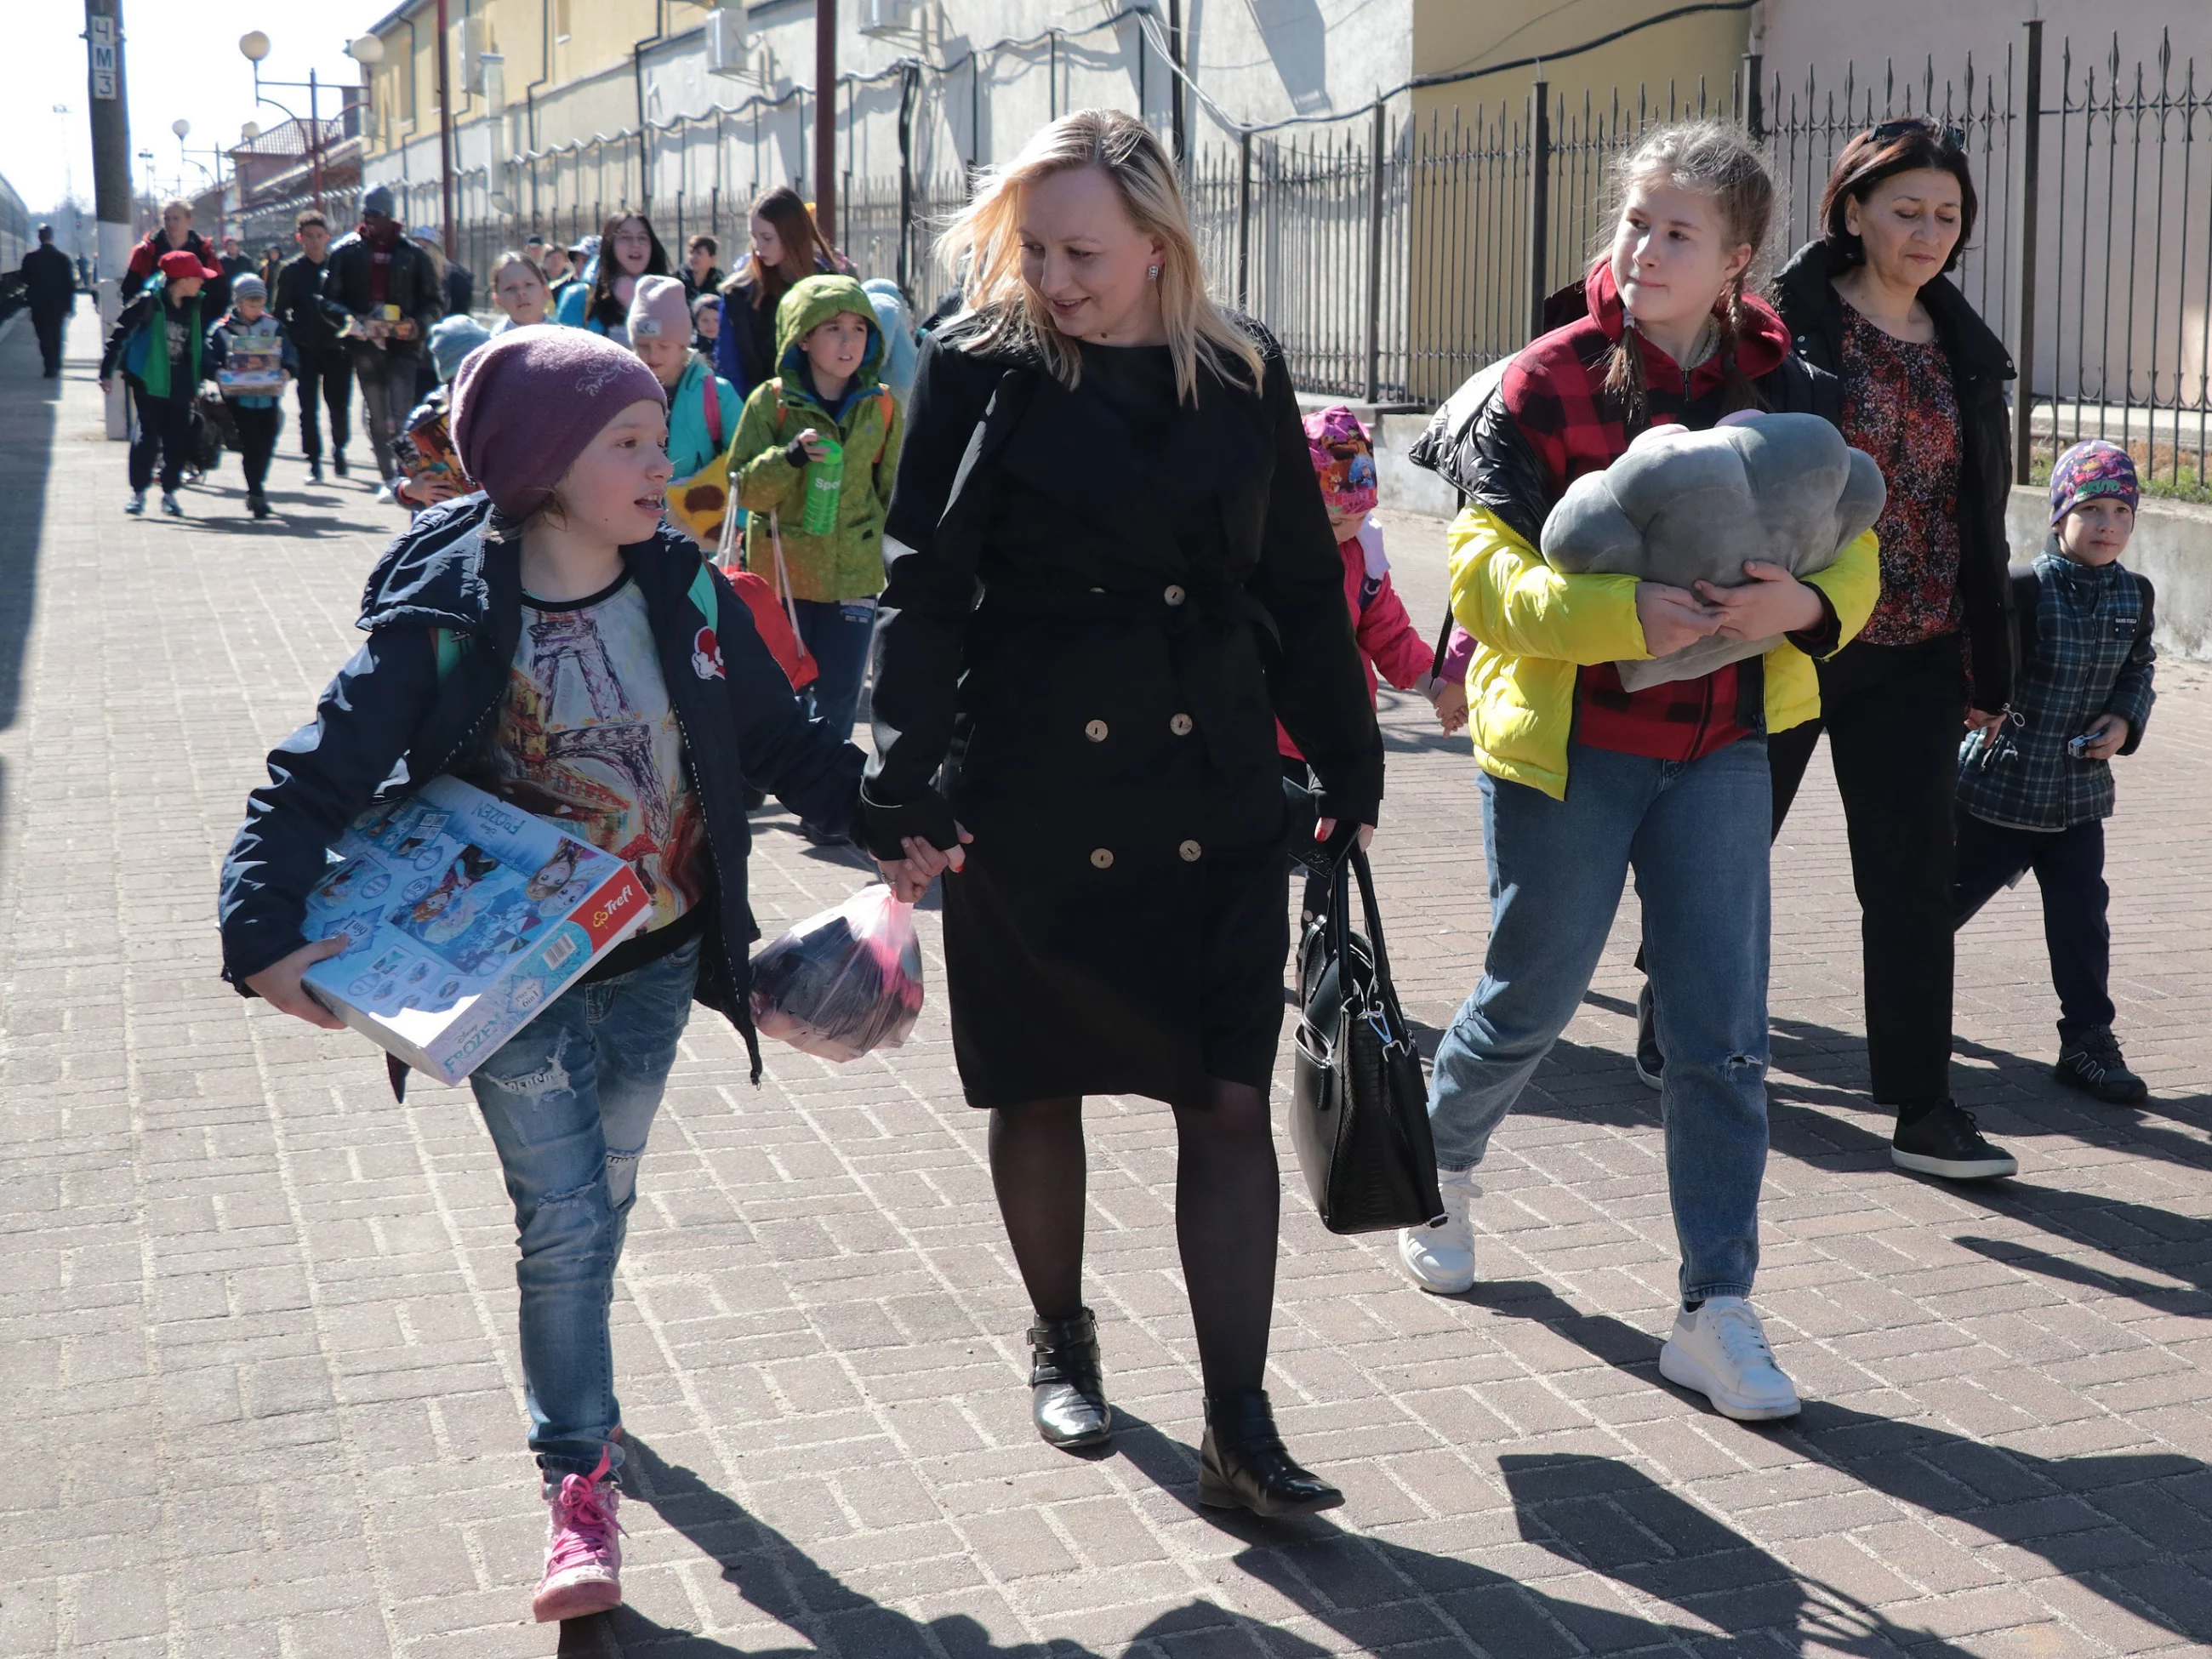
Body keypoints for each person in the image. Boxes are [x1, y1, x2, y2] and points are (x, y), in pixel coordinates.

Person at [214, 326, 866, 1623]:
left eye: (658, 435)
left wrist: (895, 823)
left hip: (659, 961)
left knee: (604, 1189)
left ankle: (580, 1371)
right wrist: (260, 929)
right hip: (509, 983)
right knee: (563, 1219)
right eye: (627, 442)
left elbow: (785, 743)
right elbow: (311, 774)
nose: (662, 462)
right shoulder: (446, 614)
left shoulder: (685, 585)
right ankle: (577, 1476)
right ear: (543, 468)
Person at [860, 110, 1381, 1517]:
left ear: (1159, 242)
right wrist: (899, 771)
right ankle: (1061, 1335)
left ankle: (1239, 1425)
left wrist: (1348, 758)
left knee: (1225, 1097)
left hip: (1210, 774)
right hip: (1031, 773)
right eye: (1032, 248)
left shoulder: (1240, 366)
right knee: (1038, 1078)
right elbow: (925, 582)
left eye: (1081, 253)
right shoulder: (981, 363)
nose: (1052, 279)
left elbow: (1298, 582)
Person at [1397, 121, 1879, 1424]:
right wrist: (1625, 617)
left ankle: (1716, 1308)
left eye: (1679, 232)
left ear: (1738, 260)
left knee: (1721, 1036)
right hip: (1572, 751)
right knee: (1530, 998)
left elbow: (1857, 551)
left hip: (1722, 746)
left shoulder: (1792, 389)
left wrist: (1806, 607)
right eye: (1635, 222)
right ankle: (1439, 1167)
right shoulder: (1547, 379)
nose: (1645, 250)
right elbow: (1483, 577)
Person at [1762, 115, 2022, 1180]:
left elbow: (1979, 514)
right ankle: (1669, 999)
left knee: (1912, 876)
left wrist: (1986, 660)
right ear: (1852, 210)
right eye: (1905, 209)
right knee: (1730, 846)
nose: (1926, 233)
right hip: (1791, 632)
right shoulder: (1783, 327)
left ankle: (1922, 1106)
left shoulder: (1964, 347)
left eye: (1945, 216)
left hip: (1916, 642)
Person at [1955, 440, 2156, 1105]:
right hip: (2000, 791)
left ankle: (2087, 1043)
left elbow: (2139, 668)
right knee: (1931, 910)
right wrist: (1977, 702)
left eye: (2121, 511)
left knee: (2081, 920)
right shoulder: (2025, 589)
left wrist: (2124, 719)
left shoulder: (2135, 595)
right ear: (2060, 515)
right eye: (2090, 508)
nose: (2107, 525)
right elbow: (1974, 662)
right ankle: (1903, 1017)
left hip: (2077, 801)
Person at [1282, 404, 1457, 924]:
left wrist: (1435, 685)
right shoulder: (1273, 557)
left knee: (1335, 850)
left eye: (1358, 517)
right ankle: (1257, 948)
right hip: (1273, 737)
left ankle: (1319, 940)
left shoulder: (1364, 561)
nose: (1346, 529)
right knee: (1261, 856)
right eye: (1335, 519)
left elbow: (1391, 633)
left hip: (1341, 739)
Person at [728, 273, 901, 777]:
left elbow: (893, 489)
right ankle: (767, 773)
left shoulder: (882, 405)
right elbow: (743, 487)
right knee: (780, 686)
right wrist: (789, 457)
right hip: (784, 576)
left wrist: (898, 559)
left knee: (841, 690)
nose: (849, 342)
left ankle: (823, 787)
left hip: (854, 575)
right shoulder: (771, 402)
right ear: (802, 337)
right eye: (833, 329)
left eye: (859, 329)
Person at [323, 185, 445, 485]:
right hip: (365, 345)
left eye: (376, 214)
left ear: (390, 216)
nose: (370, 220)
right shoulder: (345, 252)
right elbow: (327, 299)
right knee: (377, 415)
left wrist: (416, 325)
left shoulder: (413, 255)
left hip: (403, 346)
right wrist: (350, 320)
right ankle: (388, 476)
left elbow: (434, 302)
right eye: (366, 213)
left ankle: (407, 475)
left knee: (402, 414)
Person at [98, 248, 221, 517]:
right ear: (182, 279)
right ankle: (138, 493)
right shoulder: (148, 303)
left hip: (181, 384)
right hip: (149, 381)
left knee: (177, 440)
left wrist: (211, 372)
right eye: (197, 276)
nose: (202, 281)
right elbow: (120, 336)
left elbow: (198, 346)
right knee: (148, 438)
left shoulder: (193, 306)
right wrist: (107, 371)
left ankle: (169, 494)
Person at [624, 276, 738, 547]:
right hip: (634, 535)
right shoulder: (620, 393)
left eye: (664, 346)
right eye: (643, 346)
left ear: (683, 344)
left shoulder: (716, 393)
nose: (652, 355)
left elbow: (746, 461)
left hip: (699, 537)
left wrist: (737, 524)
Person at [715, 187, 840, 399]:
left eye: (767, 238)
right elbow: (729, 369)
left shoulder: (829, 285)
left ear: (792, 235)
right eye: (754, 237)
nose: (758, 248)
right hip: (758, 409)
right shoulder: (739, 293)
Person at [205, 272, 299, 520]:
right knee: (251, 444)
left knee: (267, 443)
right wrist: (217, 371)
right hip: (238, 399)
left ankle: (257, 483)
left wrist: (288, 369)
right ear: (238, 302)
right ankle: (256, 493)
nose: (257, 310)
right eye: (251, 305)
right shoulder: (222, 329)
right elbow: (209, 357)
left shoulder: (273, 326)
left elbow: (289, 353)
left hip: (269, 396)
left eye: (260, 305)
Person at [274, 210, 354, 483]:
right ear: (300, 238)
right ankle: (313, 461)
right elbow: (280, 311)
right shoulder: (291, 271)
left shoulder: (338, 268)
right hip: (305, 349)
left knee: (338, 405)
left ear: (327, 237)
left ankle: (340, 449)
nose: (314, 241)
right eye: (309, 236)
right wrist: (292, 337)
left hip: (337, 349)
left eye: (319, 236)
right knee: (308, 407)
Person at [390, 315, 492, 511]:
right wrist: (410, 489)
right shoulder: (425, 420)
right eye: (461, 379)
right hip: (444, 520)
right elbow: (399, 480)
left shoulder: (505, 409)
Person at [556, 214, 668, 345]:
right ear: (610, 244)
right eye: (625, 237)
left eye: (642, 238)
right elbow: (563, 352)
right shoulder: (580, 297)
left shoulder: (667, 295)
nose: (636, 244)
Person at [123, 198, 228, 313]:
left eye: (176, 219)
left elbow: (221, 290)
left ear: (189, 220)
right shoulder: (146, 251)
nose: (171, 224)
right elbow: (130, 288)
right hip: (156, 317)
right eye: (166, 219)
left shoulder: (204, 251)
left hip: (198, 316)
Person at [20, 224, 76, 378]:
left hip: (38, 304)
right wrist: (70, 306)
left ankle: (49, 365)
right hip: (58, 304)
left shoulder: (31, 258)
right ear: (52, 238)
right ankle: (56, 362)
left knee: (43, 335)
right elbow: (70, 285)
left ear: (39, 238)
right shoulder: (62, 258)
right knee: (57, 333)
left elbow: (23, 278)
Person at [488, 248, 553, 331]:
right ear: (497, 300)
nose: (520, 292)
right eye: (510, 288)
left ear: (545, 291)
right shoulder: (495, 338)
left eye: (529, 284)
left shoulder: (563, 335)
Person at [680, 233, 723, 304]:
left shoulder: (720, 284)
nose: (693, 257)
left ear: (712, 259)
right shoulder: (678, 281)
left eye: (699, 253)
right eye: (691, 252)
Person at [689, 290, 720, 354]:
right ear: (696, 322)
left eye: (716, 320)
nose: (711, 325)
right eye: (705, 320)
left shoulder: (732, 345)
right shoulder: (691, 347)